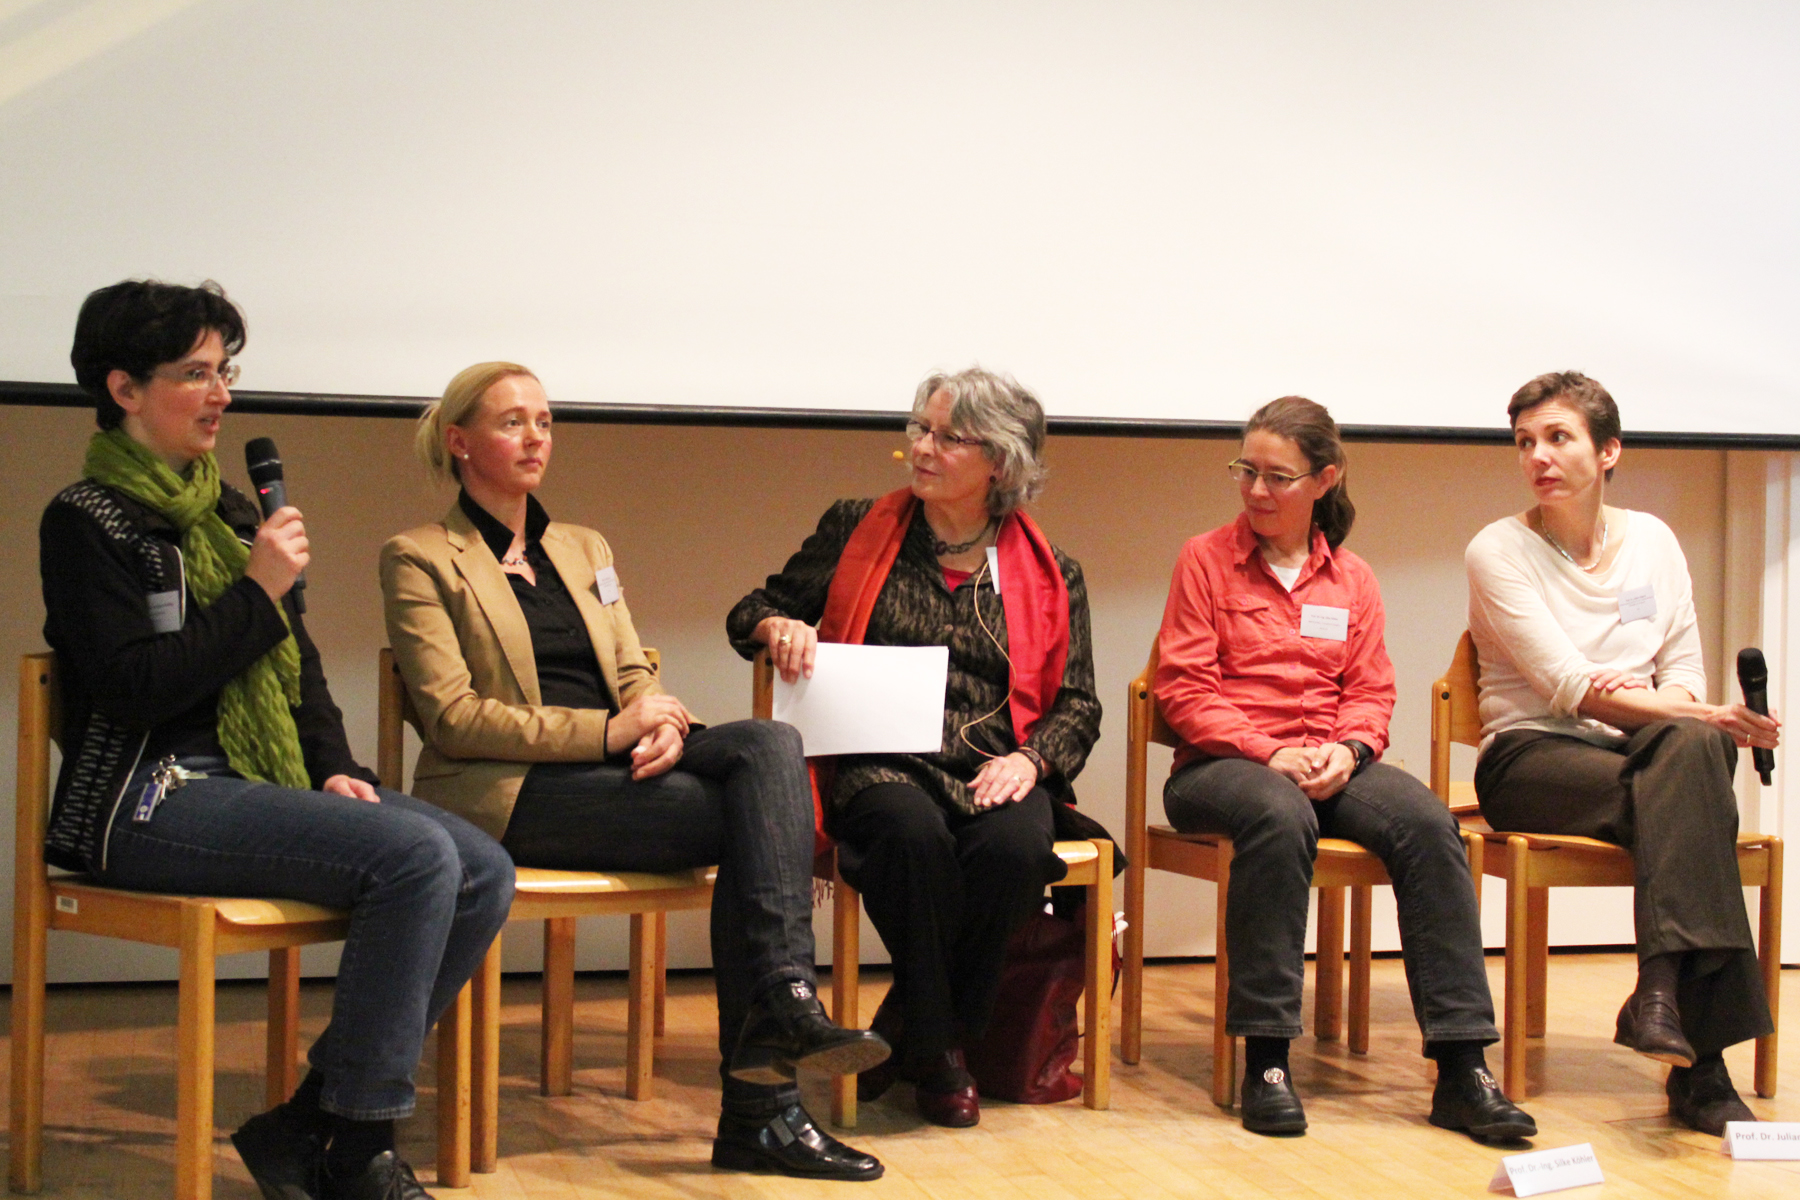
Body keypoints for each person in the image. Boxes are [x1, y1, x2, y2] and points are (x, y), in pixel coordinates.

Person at [41, 280, 515, 1200]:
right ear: (124, 389)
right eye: (195, 374)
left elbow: (296, 670)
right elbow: (135, 689)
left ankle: (311, 1123)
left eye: (226, 371)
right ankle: (359, 1146)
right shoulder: (85, 520)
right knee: (417, 857)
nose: (221, 394)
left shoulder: (228, 516)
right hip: (145, 794)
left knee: (481, 867)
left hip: (254, 779)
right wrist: (256, 592)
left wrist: (333, 767)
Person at [380, 362, 888, 1181]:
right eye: (512, 422)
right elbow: (453, 717)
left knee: (769, 746)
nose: (535, 436)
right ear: (459, 442)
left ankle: (784, 1005)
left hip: (622, 771)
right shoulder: (419, 558)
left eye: (544, 420)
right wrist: (614, 732)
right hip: (510, 794)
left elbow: (631, 668)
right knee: (757, 821)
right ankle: (766, 1096)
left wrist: (659, 717)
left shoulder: (584, 547)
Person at [726, 366, 1103, 1129]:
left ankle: (912, 1028)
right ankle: (942, 1052)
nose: (920, 448)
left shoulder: (1054, 573)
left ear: (999, 461)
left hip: (993, 767)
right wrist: (779, 628)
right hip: (877, 761)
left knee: (1016, 852)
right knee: (909, 836)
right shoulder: (857, 526)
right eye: (918, 430)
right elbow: (752, 609)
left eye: (945, 437)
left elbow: (1079, 704)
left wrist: (1031, 761)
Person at [1153, 396, 1533, 1142]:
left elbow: (1370, 689)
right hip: (1223, 768)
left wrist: (1350, 750)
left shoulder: (1351, 578)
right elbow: (1184, 690)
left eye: (1278, 477)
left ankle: (1463, 1067)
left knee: (1428, 822)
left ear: (1324, 480)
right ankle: (1266, 1058)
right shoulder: (1205, 558)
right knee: (1275, 811)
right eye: (1247, 472)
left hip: (1329, 764)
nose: (1257, 492)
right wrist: (1269, 752)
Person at [1466, 370, 1779, 1135]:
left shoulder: (1654, 542)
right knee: (1697, 756)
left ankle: (1661, 997)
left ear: (1608, 451)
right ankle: (1699, 1069)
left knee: (1691, 752)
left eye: (1557, 437)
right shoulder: (1497, 549)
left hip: (1646, 754)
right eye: (1524, 443)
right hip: (1532, 758)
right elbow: (1571, 687)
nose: (1538, 456)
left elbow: (1681, 674)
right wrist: (1689, 713)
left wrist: (1676, 709)